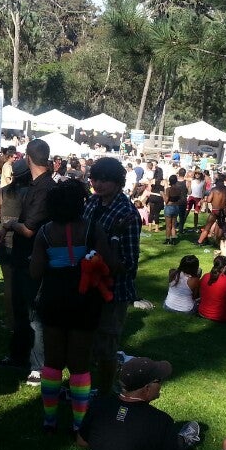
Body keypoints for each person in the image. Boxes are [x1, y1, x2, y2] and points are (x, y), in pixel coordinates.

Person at [32, 179, 113, 434]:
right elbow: (110, 263)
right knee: (80, 364)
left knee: (53, 361)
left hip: (53, 298)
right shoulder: (92, 229)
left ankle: (50, 419)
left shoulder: (45, 232)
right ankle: (80, 423)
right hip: (85, 299)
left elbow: (35, 272)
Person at [77, 357, 195, 450]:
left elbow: (81, 441)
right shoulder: (162, 421)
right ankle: (179, 442)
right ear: (146, 388)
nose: (161, 384)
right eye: (158, 380)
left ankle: (175, 443)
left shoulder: (100, 404)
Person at [82, 157, 144, 394]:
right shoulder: (91, 202)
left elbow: (128, 264)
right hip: (88, 285)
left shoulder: (127, 213)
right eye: (95, 179)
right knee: (88, 341)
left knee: (107, 344)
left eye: (104, 180)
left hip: (114, 291)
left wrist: (103, 245)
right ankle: (88, 388)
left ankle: (105, 392)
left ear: (117, 182)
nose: (98, 184)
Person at [0, 139, 54, 376]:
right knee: (22, 311)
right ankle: (18, 356)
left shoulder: (43, 188)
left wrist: (8, 224)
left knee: (33, 316)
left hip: (33, 260)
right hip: (23, 258)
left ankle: (37, 365)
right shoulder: (40, 185)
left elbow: (29, 229)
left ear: (28, 158)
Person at [0, 158, 30, 333]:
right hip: (25, 242)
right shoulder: (31, 192)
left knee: (8, 284)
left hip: (5, 241)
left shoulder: (3, 192)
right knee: (26, 282)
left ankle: (11, 322)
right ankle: (26, 320)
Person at [198, 173, 226, 246]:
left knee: (208, 226)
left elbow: (209, 200)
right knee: (220, 226)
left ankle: (200, 241)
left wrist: (206, 199)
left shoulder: (214, 190)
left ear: (218, 181)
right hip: (223, 211)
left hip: (215, 210)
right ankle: (217, 242)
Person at [162, 174, 183, 245]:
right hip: (176, 207)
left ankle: (168, 239)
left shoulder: (168, 189)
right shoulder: (179, 189)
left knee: (168, 225)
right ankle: (173, 238)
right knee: (174, 225)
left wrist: (162, 194)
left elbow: (166, 200)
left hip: (169, 207)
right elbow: (180, 199)